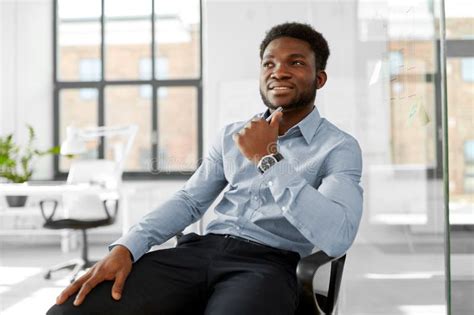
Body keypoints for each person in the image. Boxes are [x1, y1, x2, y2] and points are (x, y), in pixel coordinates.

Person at [47, 22, 363, 315]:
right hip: (198, 253)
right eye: (269, 63)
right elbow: (190, 200)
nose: (278, 72)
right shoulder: (231, 135)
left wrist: (268, 160)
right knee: (69, 310)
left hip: (267, 265)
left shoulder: (338, 147)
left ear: (319, 78)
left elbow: (337, 237)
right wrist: (127, 247)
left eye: (295, 62)